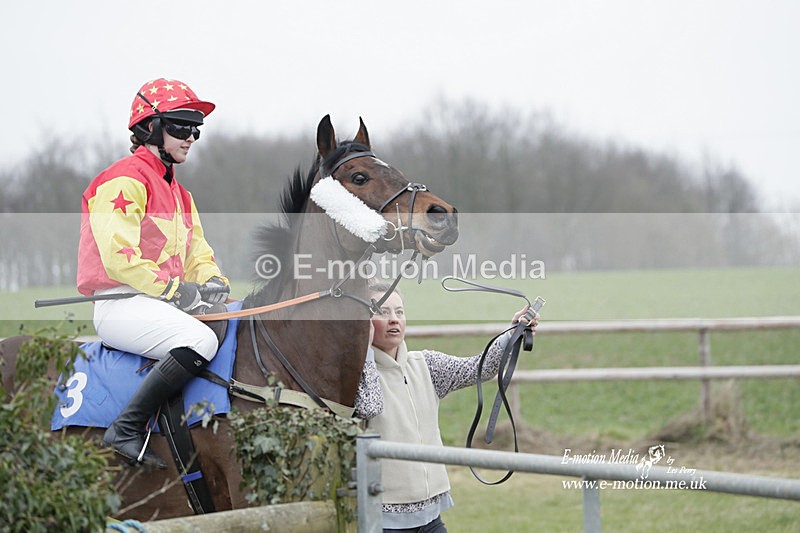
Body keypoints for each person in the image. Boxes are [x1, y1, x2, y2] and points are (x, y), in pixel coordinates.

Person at [76, 78, 230, 469]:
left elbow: (199, 254)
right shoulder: (122, 180)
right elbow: (119, 258)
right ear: (150, 128)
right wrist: (179, 292)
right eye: (180, 126)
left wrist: (213, 283)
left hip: (160, 303)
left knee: (228, 325)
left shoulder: (182, 195)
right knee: (199, 340)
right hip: (121, 304)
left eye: (196, 129)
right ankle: (126, 427)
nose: (190, 136)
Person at [354, 283, 537, 532]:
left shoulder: (426, 364)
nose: (394, 320)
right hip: (382, 520)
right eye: (382, 312)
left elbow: (478, 368)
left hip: (431, 518)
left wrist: (511, 334)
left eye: (399, 311)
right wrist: (361, 350)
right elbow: (370, 406)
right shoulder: (355, 375)